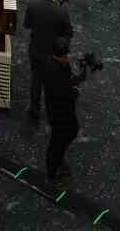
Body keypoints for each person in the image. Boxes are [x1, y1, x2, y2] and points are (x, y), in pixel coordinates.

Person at [24, 0, 72, 125]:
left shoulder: (33, 5)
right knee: (52, 83)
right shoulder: (61, 11)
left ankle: (34, 110)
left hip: (35, 50)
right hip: (52, 55)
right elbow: (68, 33)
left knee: (36, 80)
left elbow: (27, 25)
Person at [41, 36, 85, 186]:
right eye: (65, 54)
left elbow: (66, 82)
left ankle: (57, 162)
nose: (67, 57)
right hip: (59, 113)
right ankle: (51, 176)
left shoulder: (59, 64)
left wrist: (77, 79)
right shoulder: (55, 69)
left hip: (61, 111)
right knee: (57, 143)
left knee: (67, 135)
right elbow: (62, 93)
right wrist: (75, 91)